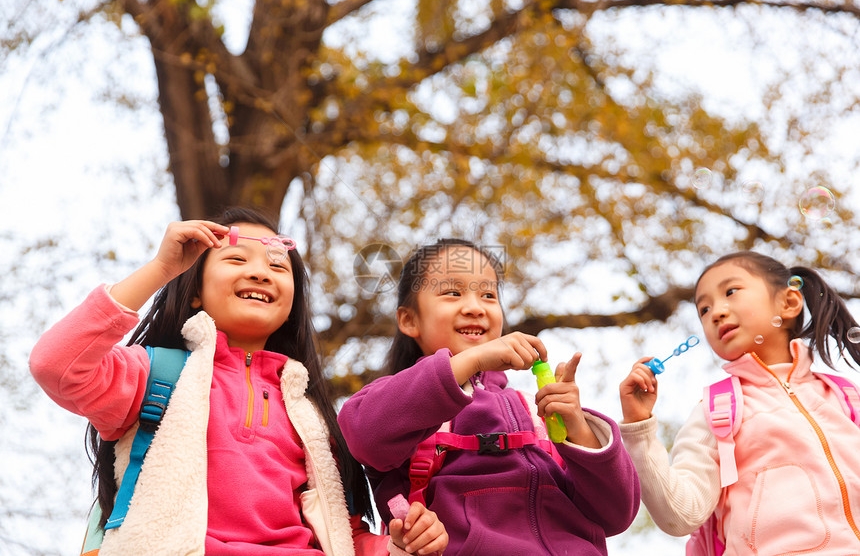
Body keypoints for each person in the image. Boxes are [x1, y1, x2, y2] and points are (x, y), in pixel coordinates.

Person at [29, 208, 448, 556]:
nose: (261, 273)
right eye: (236, 259)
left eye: (277, 266)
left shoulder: (316, 421)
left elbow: (345, 536)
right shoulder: (154, 377)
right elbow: (56, 365)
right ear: (194, 289)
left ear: (291, 304)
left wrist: (402, 546)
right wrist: (162, 269)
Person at [338, 238, 640, 556]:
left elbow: (616, 514)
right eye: (452, 292)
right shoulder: (404, 406)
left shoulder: (536, 409)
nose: (475, 307)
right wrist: (472, 361)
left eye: (488, 295)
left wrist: (578, 429)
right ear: (410, 320)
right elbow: (361, 432)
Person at [619, 251, 860, 554]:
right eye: (703, 309)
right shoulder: (716, 409)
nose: (715, 313)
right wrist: (638, 427)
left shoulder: (845, 396)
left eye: (730, 292)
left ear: (788, 303)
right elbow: (680, 516)